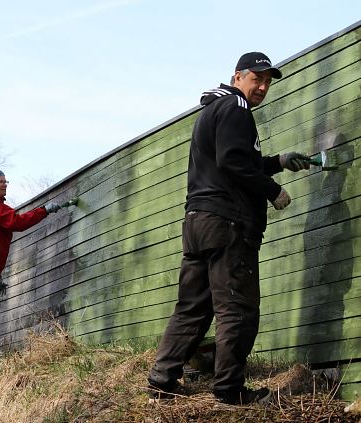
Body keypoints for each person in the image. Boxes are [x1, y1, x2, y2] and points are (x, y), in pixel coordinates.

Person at [146, 52, 311, 405]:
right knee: (238, 308)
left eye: (267, 82)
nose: (263, 87)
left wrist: (277, 163)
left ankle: (162, 379)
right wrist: (273, 191)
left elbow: (232, 161)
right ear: (238, 77)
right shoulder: (236, 109)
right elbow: (234, 161)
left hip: (198, 222)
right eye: (257, 79)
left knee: (192, 307)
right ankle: (229, 390)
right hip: (228, 224)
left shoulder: (214, 109)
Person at [0, 168, 63, 362]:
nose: (5, 184)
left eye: (6, 181)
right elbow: (17, 222)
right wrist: (44, 210)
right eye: (0, 181)